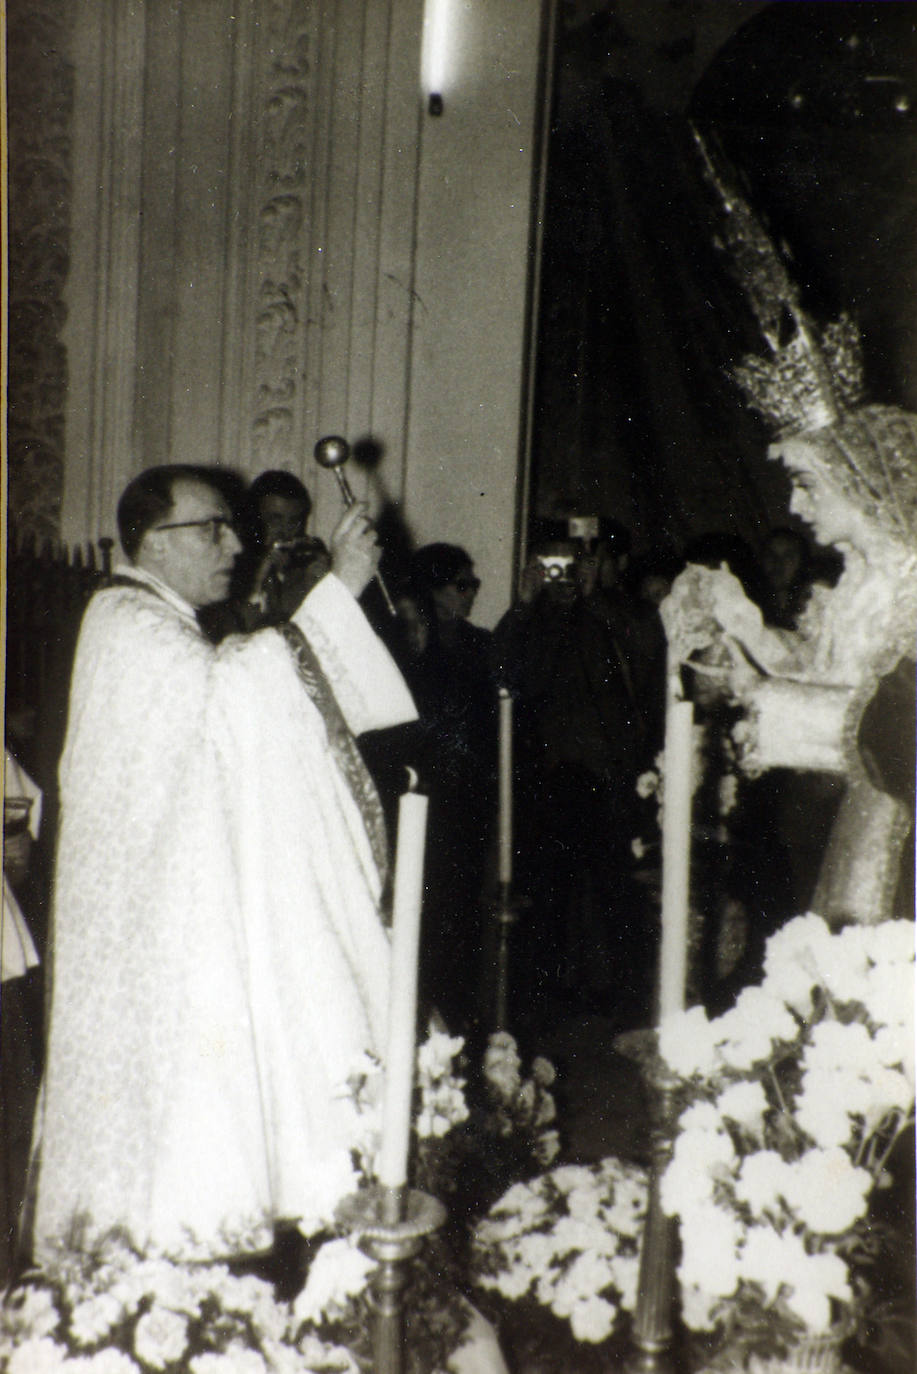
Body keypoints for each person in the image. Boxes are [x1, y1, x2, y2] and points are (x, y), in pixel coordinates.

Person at [26, 464, 416, 1263]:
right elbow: (237, 698)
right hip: (155, 932)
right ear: (149, 541)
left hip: (163, 919)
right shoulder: (130, 624)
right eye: (211, 528)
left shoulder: (151, 620)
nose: (234, 543)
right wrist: (338, 589)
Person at [663, 403, 917, 930]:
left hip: (895, 820)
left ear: (854, 480)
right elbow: (821, 671)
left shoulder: (909, 586)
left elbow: (891, 719)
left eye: (808, 485)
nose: (796, 506)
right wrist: (749, 631)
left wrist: (762, 693)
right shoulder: (855, 582)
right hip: (835, 812)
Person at [199, 469, 330, 639]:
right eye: (274, 520)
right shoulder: (226, 569)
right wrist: (259, 578)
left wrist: (325, 588)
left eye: (294, 522)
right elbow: (227, 637)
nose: (284, 532)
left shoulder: (304, 567)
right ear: (252, 521)